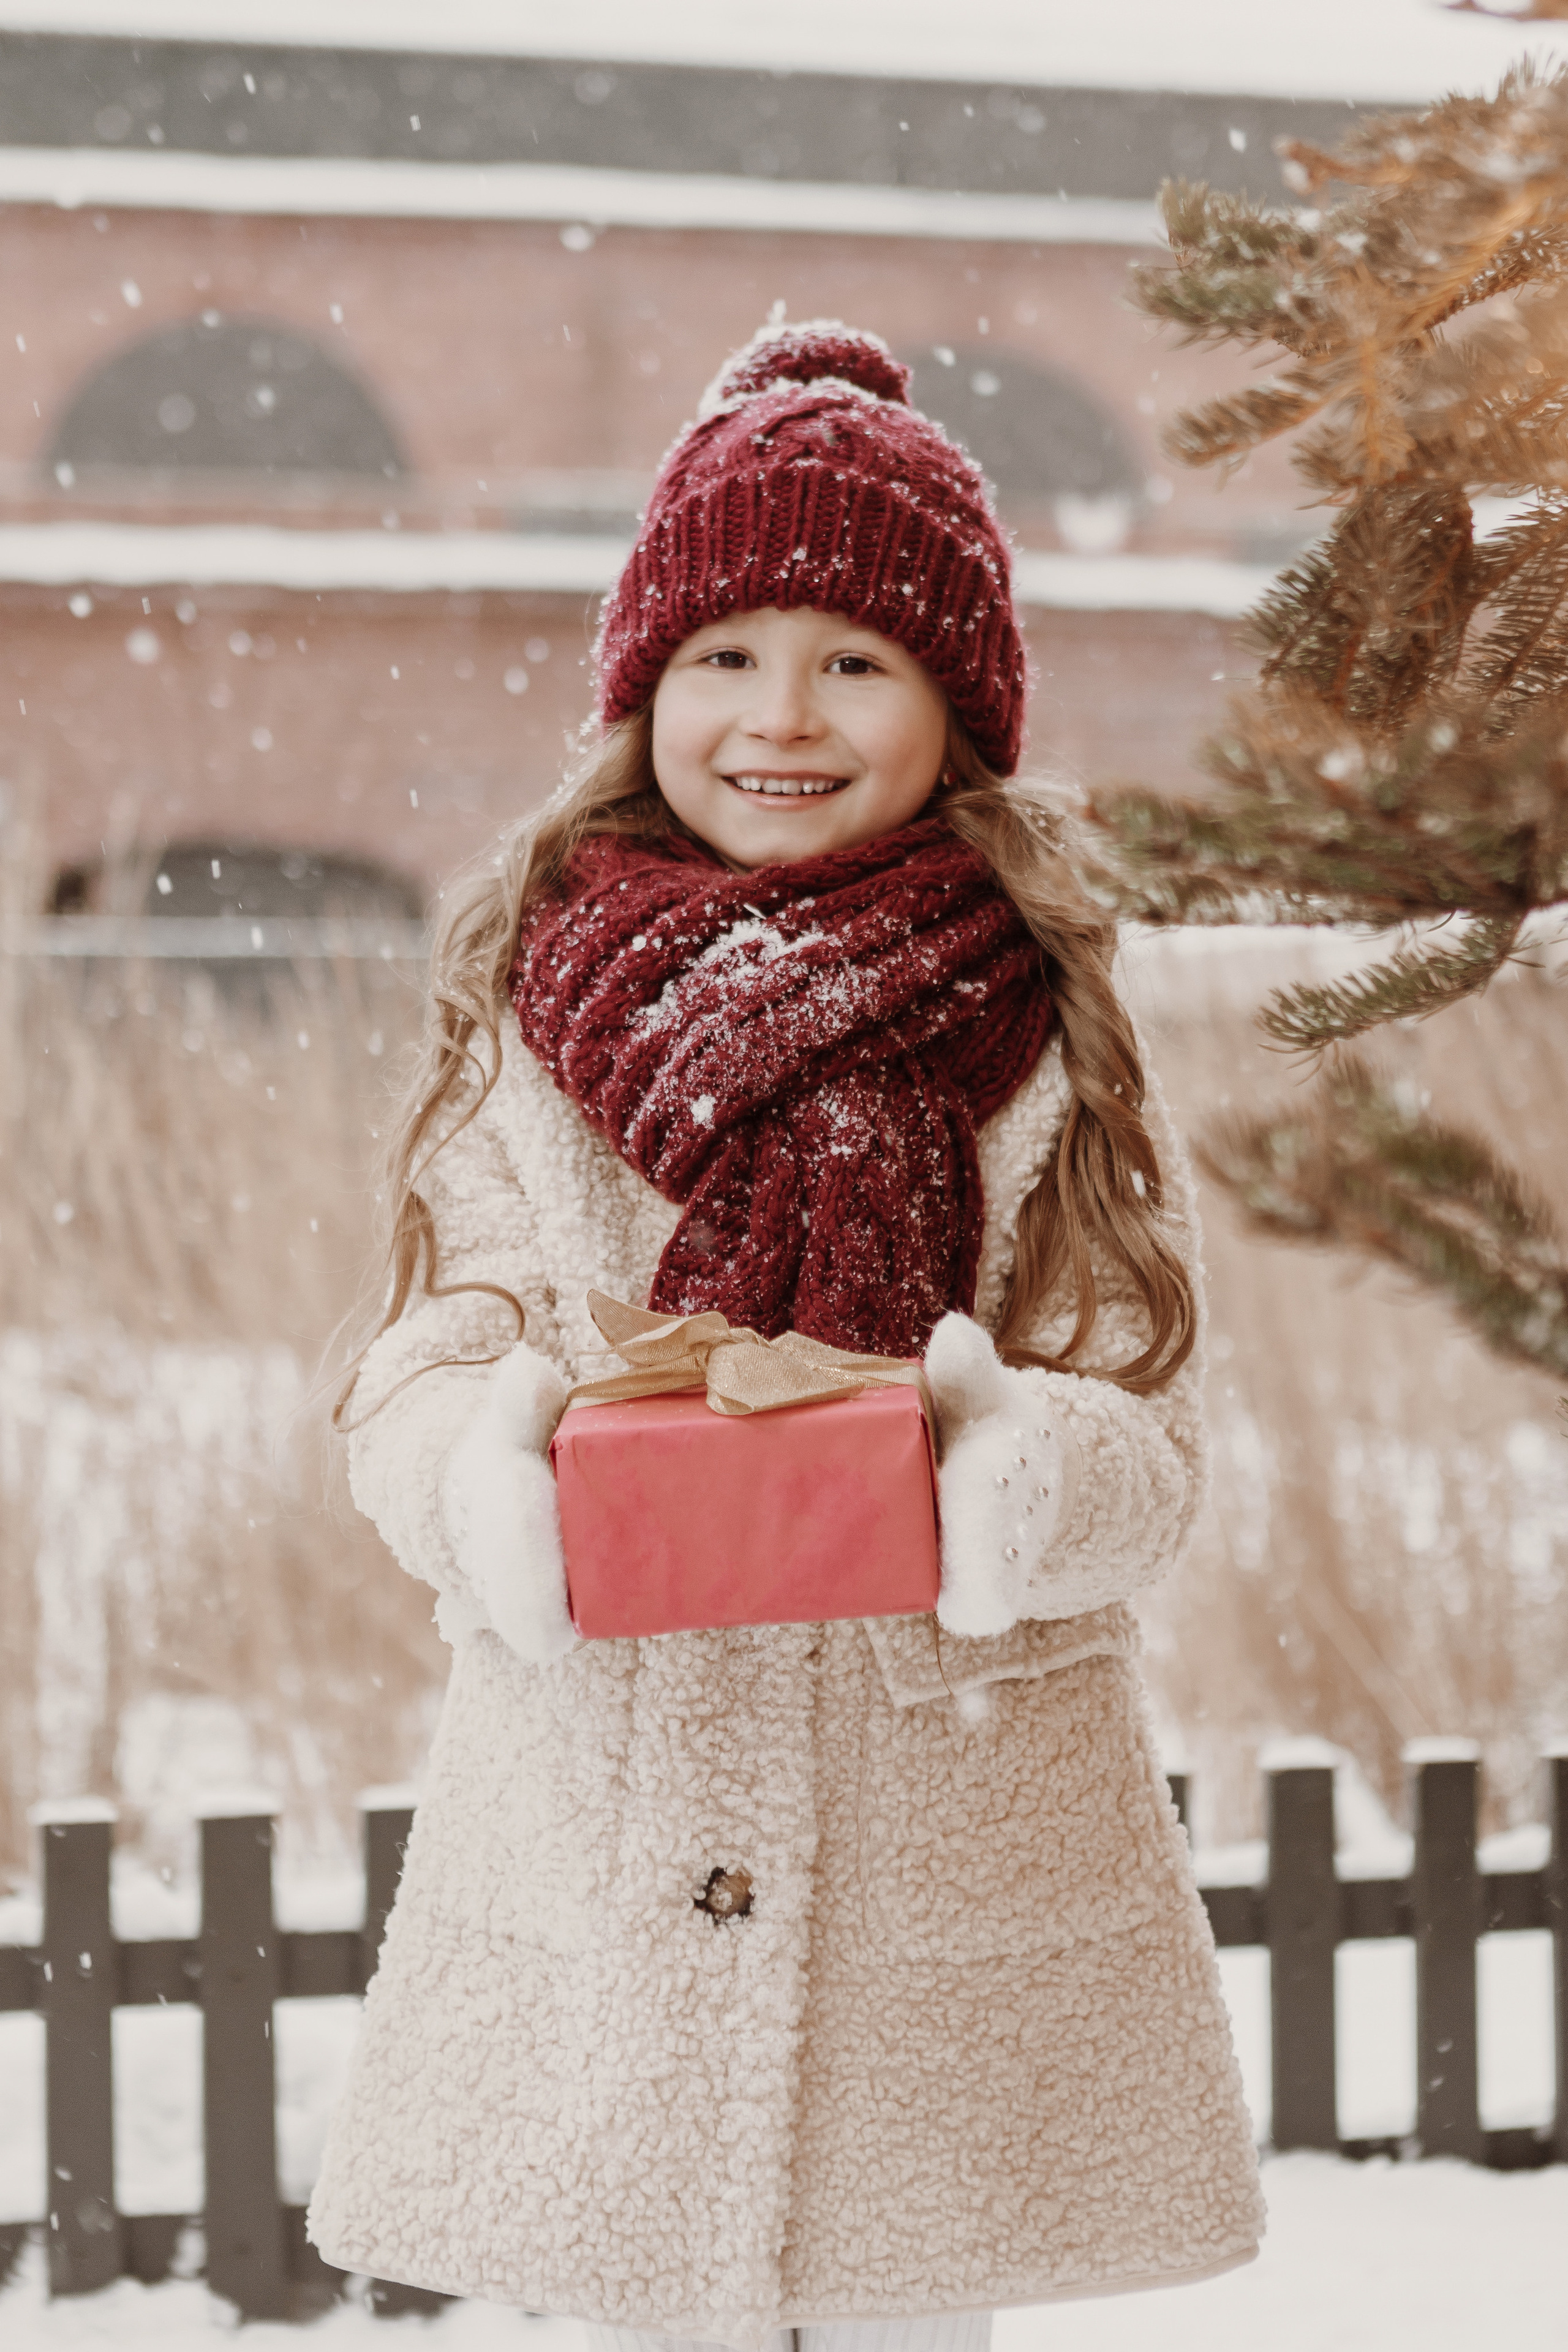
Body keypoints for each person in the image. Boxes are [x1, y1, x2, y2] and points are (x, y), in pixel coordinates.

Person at [307, 320, 1263, 2351]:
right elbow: (432, 1335)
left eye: (858, 659)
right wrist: (476, 1468)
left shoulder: (1051, 1017)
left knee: (919, 2305)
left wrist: (1024, 1471)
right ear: (645, 689)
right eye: (723, 657)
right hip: (608, 1813)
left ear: (957, 702)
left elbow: (1149, 1422)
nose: (782, 714)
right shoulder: (531, 1001)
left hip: (948, 1842)